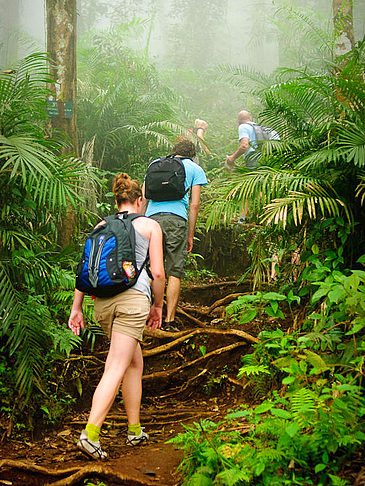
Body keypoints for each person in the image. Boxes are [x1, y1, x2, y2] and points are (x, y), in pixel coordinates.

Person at [68, 173, 165, 460]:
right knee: (116, 366)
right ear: (139, 200)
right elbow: (158, 273)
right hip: (132, 302)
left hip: (103, 306)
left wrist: (76, 308)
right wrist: (158, 306)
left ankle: (134, 431)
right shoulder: (150, 225)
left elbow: (83, 269)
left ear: (116, 201)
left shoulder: (101, 225)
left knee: (134, 361)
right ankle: (90, 434)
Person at [142, 140, 208, 332]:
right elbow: (194, 205)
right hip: (176, 220)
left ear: (174, 152)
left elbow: (144, 195)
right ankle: (169, 320)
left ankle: (151, 316)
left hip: (151, 220)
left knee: (153, 268)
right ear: (192, 154)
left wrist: (139, 221)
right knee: (174, 271)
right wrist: (190, 234)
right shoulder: (195, 169)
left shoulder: (155, 164)